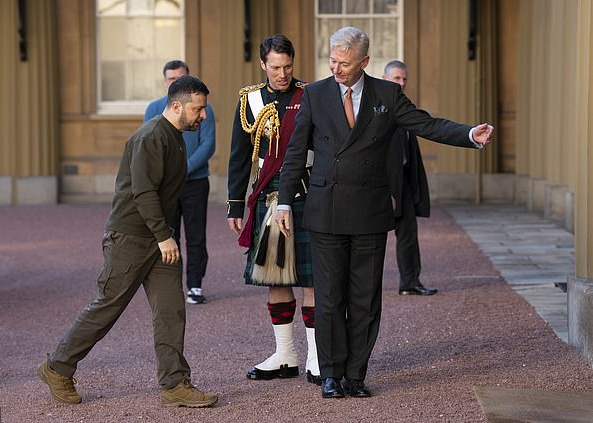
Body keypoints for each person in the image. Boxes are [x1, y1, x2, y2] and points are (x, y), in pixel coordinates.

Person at [276, 26, 493, 399]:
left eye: (344, 63)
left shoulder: (387, 94)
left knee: (365, 298)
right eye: (332, 60)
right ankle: (330, 374)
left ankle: (356, 375)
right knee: (329, 297)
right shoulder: (314, 93)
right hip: (325, 209)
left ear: (364, 61)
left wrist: (468, 134)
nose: (336, 68)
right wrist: (283, 201)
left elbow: (427, 124)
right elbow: (296, 151)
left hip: (370, 213)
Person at [38, 75, 218, 408]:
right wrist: (165, 236)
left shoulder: (175, 135)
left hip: (159, 239)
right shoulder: (151, 136)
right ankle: (57, 367)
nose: (204, 116)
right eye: (199, 109)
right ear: (176, 106)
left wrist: (164, 236)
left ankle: (175, 384)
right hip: (131, 239)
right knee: (107, 307)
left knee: (171, 311)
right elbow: (143, 192)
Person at [227, 34, 320, 385]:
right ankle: (285, 355)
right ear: (263, 65)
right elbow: (239, 156)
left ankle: (316, 357)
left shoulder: (310, 93)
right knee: (275, 275)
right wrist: (235, 205)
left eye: (288, 66)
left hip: (309, 193)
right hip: (269, 194)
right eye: (276, 67)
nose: (283, 74)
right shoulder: (248, 100)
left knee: (312, 278)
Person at [144, 60, 216, 305]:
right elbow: (150, 148)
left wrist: (183, 169)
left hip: (195, 183)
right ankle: (170, 286)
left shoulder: (203, 108)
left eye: (180, 78)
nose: (175, 83)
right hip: (167, 187)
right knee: (168, 236)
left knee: (196, 237)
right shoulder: (154, 108)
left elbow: (208, 145)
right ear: (165, 82)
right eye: (171, 79)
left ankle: (195, 286)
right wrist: (171, 174)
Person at [382, 60, 437, 296]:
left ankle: (410, 282)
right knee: (366, 239)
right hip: (378, 184)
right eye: (396, 78)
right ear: (385, 79)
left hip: (403, 180)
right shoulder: (373, 106)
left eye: (404, 79)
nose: (401, 83)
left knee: (408, 234)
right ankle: (357, 288)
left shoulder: (405, 107)